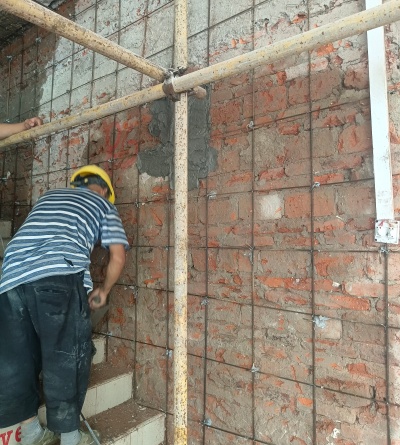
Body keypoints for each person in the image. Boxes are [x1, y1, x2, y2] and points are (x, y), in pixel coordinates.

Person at [0, 165, 129, 445]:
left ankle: (31, 433)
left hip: (10, 277)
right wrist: (104, 290)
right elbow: (118, 256)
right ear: (105, 191)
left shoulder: (49, 196)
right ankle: (71, 438)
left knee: (17, 360)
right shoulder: (104, 206)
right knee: (67, 354)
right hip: (59, 274)